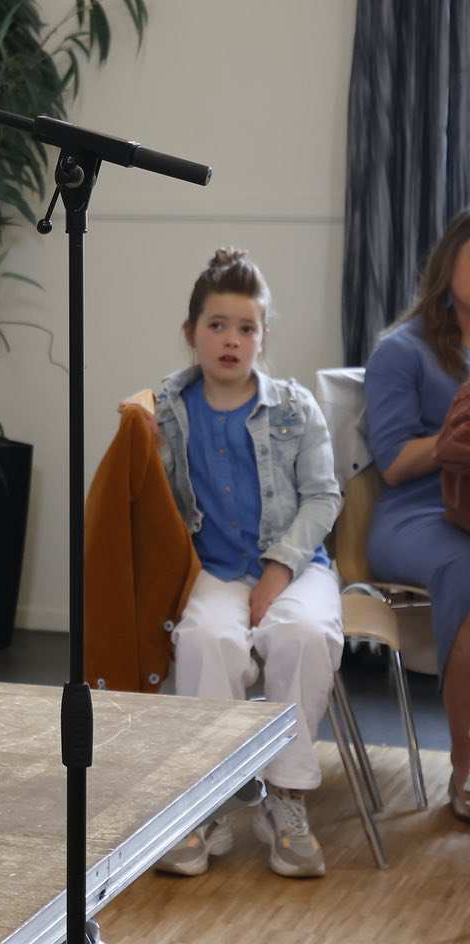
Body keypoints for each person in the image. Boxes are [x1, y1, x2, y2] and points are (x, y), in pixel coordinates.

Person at [151, 249, 342, 879]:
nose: (231, 340)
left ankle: (284, 799)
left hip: (296, 564)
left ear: (262, 337)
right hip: (213, 567)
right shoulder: (166, 410)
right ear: (191, 333)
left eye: (246, 328)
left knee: (304, 633)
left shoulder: (295, 407)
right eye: (217, 325)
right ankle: (203, 805)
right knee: (206, 639)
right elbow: (148, 496)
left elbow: (323, 496)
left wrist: (280, 569)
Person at [365, 209, 470, 820]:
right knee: (466, 566)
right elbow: (393, 463)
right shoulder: (401, 351)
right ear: (448, 262)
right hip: (416, 514)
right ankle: (466, 764)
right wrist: (450, 442)